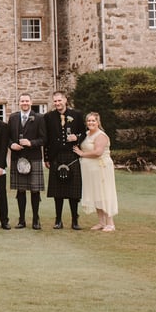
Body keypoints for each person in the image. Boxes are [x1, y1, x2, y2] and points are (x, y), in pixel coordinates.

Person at [44, 91, 86, 230]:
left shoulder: (76, 114)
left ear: (65, 100)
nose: (57, 103)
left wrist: (77, 138)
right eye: (55, 101)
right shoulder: (49, 117)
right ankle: (58, 220)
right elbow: (47, 139)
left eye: (59, 100)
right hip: (56, 156)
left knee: (73, 192)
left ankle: (75, 220)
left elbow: (84, 132)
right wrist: (47, 158)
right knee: (58, 192)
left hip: (71, 155)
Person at [8, 93, 47, 229]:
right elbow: (8, 137)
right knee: (21, 190)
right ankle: (21, 220)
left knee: (35, 190)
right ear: (19, 103)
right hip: (18, 158)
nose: (24, 103)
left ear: (31, 102)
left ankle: (36, 219)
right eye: (22, 101)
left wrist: (31, 143)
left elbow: (44, 139)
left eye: (27, 101)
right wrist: (11, 145)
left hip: (33, 158)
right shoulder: (13, 118)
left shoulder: (39, 118)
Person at [74, 112, 118, 232]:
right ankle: (101, 222)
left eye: (93, 120)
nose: (91, 123)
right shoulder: (86, 134)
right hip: (89, 170)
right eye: (89, 121)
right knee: (96, 194)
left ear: (98, 122)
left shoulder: (101, 136)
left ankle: (110, 223)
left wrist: (82, 154)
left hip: (101, 168)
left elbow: (98, 152)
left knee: (104, 194)